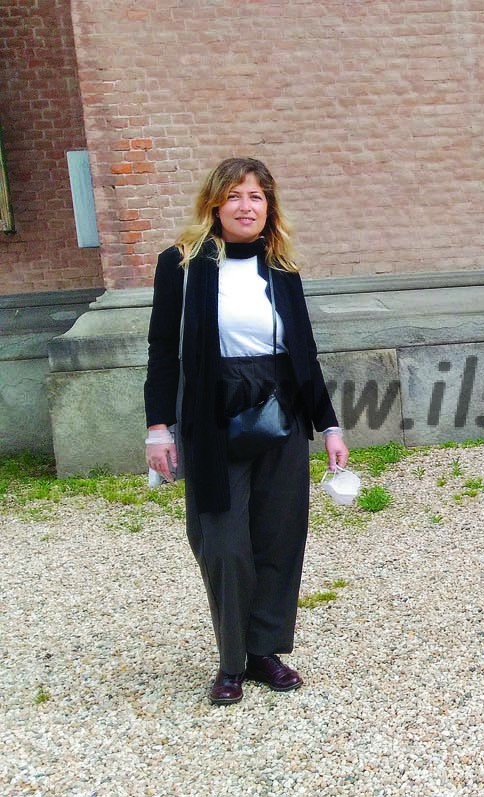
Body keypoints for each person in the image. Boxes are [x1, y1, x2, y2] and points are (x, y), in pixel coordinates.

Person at [144, 157, 349, 705]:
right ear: (215, 205)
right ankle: (231, 660)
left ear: (268, 207)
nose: (245, 206)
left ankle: (264, 651)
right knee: (223, 541)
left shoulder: (280, 266)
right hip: (212, 413)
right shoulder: (182, 264)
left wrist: (329, 425)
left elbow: (303, 352)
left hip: (280, 409)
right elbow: (162, 349)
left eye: (256, 197)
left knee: (279, 533)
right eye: (234, 196)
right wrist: (158, 428)